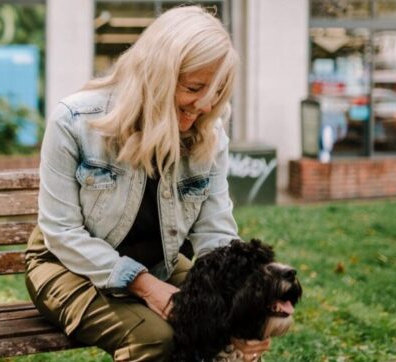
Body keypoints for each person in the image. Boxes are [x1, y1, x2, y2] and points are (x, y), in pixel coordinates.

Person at [24, 6, 268, 361]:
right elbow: (61, 232)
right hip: (66, 265)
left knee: (234, 326)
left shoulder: (209, 132)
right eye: (194, 87)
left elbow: (215, 231)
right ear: (156, 76)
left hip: (159, 264)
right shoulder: (74, 120)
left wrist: (241, 304)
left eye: (216, 91)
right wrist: (145, 286)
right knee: (156, 338)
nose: (204, 104)